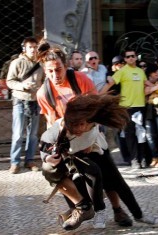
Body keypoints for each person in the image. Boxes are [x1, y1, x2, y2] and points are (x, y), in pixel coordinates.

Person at [37, 44, 158, 227]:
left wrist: (89, 136)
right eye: (51, 71)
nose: (56, 75)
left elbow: (98, 111)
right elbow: (51, 123)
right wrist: (54, 151)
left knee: (114, 178)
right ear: (45, 71)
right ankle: (83, 209)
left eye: (59, 69)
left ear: (66, 65)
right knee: (74, 177)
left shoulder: (80, 80)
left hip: (92, 137)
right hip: (70, 145)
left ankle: (124, 211)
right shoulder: (43, 94)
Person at [40, 94, 110, 230]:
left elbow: (97, 138)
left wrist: (92, 144)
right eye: (74, 125)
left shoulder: (92, 126)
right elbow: (43, 143)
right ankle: (79, 208)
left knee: (94, 172)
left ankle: (99, 210)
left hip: (85, 155)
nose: (78, 129)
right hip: (64, 156)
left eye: (81, 125)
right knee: (50, 171)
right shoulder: (58, 128)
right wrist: (47, 158)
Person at [100, 48, 148, 169]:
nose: (130, 58)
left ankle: (142, 159)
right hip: (127, 107)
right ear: (125, 59)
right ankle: (134, 160)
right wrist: (98, 95)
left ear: (136, 57)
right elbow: (110, 83)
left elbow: (146, 85)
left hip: (141, 106)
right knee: (129, 134)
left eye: (132, 56)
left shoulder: (141, 71)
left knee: (141, 134)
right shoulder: (122, 71)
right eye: (128, 57)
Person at [6, 37, 45, 174]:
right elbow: (9, 81)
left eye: (35, 47)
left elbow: (45, 82)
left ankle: (29, 160)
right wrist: (22, 85)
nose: (33, 50)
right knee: (17, 134)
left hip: (35, 101)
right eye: (30, 47)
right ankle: (15, 162)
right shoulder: (16, 63)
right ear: (24, 49)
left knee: (33, 134)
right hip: (20, 101)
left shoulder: (41, 64)